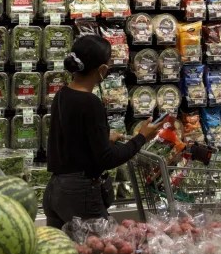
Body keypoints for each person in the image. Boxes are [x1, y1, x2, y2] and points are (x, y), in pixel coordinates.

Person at [43, 35, 161, 229]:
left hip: (56, 190)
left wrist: (104, 138)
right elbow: (106, 159)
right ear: (102, 70)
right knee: (100, 253)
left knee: (62, 252)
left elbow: (72, 140)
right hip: (80, 194)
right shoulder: (91, 103)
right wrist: (141, 138)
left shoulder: (62, 94)